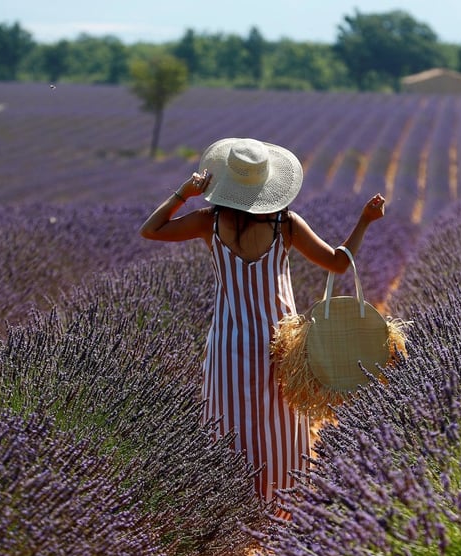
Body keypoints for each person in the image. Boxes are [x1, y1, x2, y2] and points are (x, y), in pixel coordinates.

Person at [139, 137, 386, 504]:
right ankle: (280, 508)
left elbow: (151, 230)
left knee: (227, 423)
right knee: (283, 425)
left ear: (227, 182)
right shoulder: (284, 224)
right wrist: (364, 221)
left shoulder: (209, 222)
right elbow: (337, 262)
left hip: (229, 340)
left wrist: (184, 193)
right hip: (280, 343)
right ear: (266, 185)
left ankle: (231, 512)